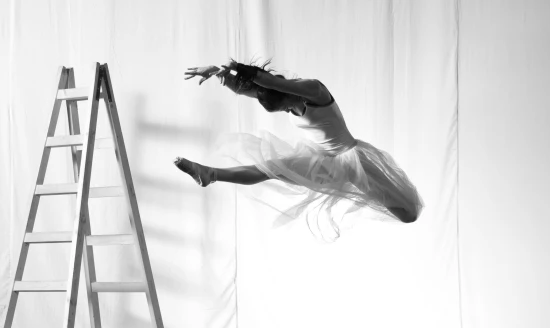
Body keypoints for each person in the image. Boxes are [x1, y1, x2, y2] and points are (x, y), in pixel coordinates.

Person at [175, 60, 424, 238]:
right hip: (325, 161)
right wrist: (219, 73)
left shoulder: (314, 90)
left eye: (285, 107)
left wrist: (237, 66)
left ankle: (379, 195)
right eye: (283, 111)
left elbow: (266, 79)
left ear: (286, 91)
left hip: (352, 157)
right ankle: (210, 173)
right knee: (269, 168)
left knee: (408, 214)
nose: (287, 111)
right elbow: (247, 88)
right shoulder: (278, 94)